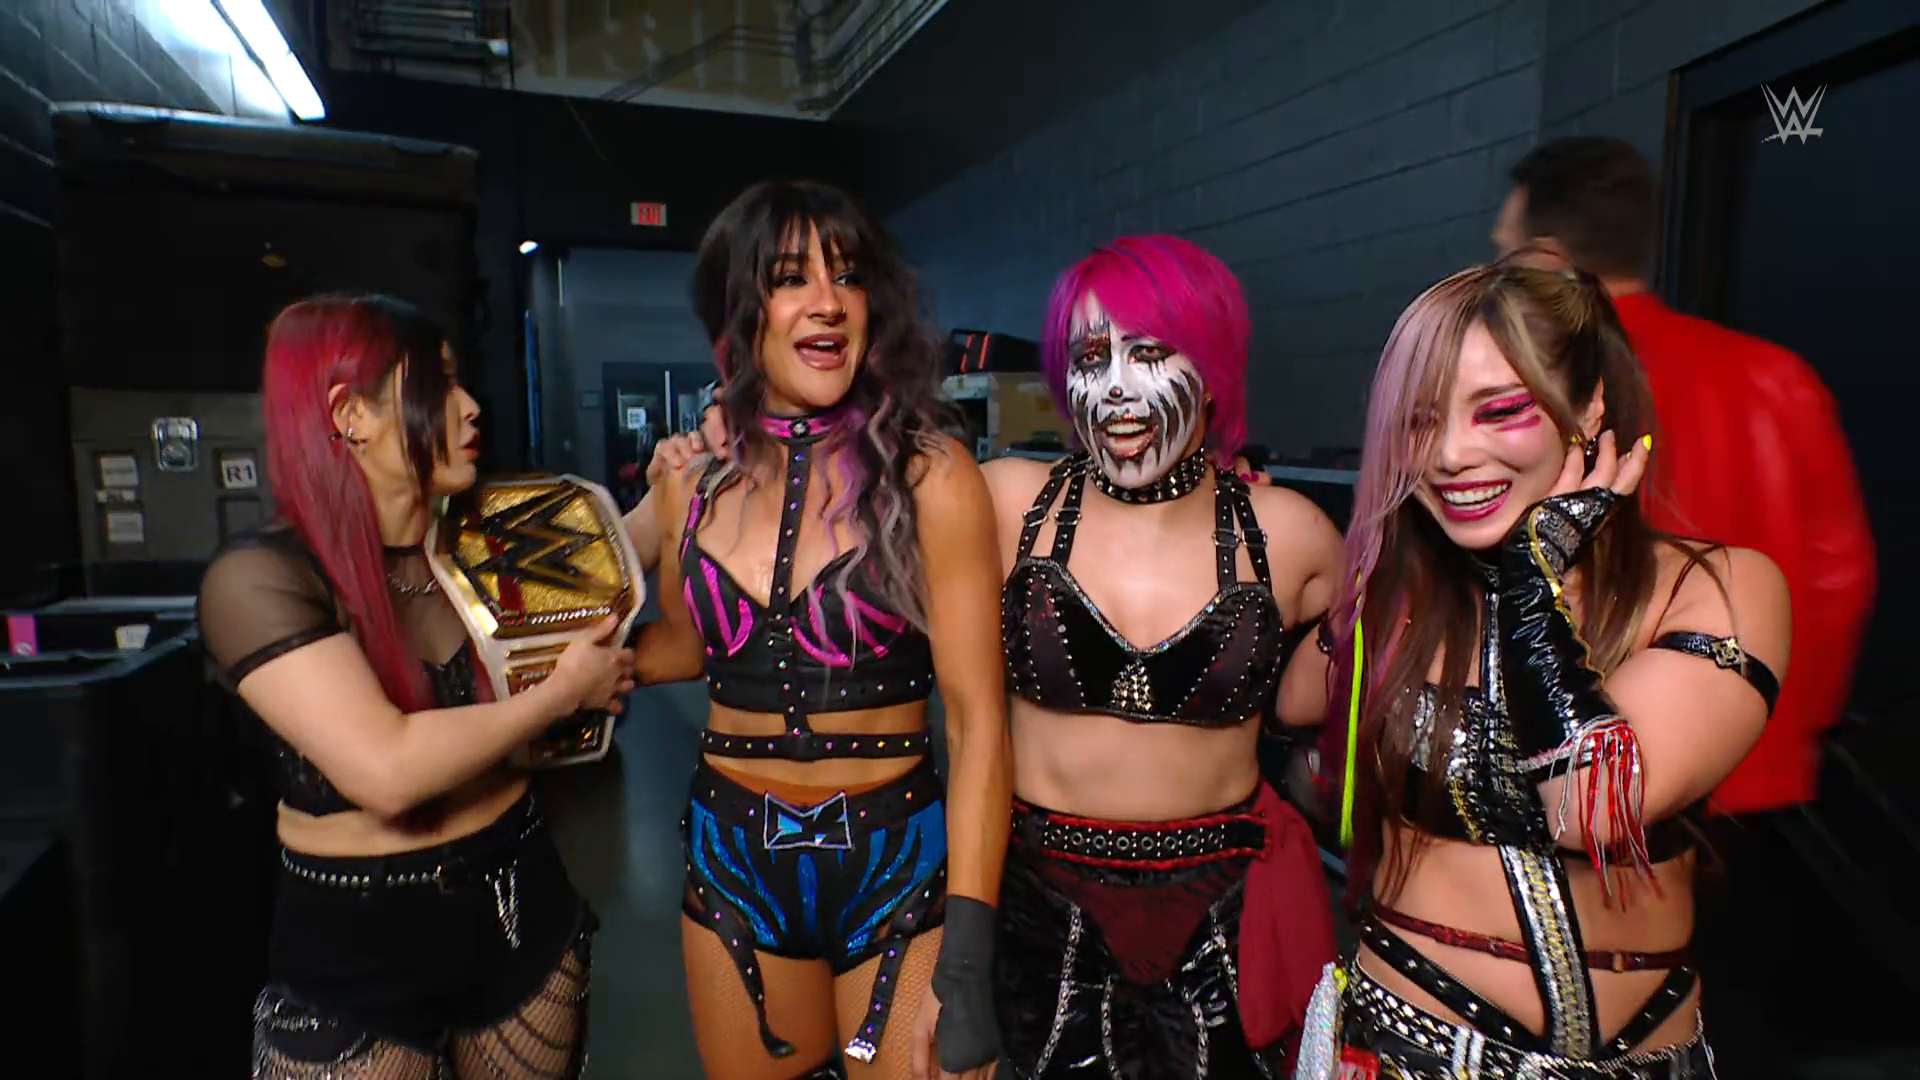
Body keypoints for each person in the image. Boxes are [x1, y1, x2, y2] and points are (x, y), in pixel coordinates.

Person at [1286, 255, 1790, 1079]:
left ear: (1590, 408)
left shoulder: (1716, 586)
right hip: (1401, 1051)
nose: (1449, 455)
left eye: (1500, 410)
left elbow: (1591, 810)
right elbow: (1290, 704)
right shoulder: (1402, 602)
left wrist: (1532, 578)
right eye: (1418, 422)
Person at [197, 294, 633, 1078]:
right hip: (359, 948)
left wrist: (680, 485)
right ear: (351, 416)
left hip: (517, 902)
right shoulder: (258, 579)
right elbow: (386, 768)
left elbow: (613, 587)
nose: (469, 408)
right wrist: (558, 695)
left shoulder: (474, 544)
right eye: (437, 385)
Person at [632, 180, 1011, 1080]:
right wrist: (561, 672)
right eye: (790, 278)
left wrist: (968, 963)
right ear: (740, 309)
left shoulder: (932, 476)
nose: (828, 302)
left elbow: (979, 726)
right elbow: (681, 647)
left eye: (847, 275)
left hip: (896, 862)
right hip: (733, 858)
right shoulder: (695, 483)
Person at [984, 235, 1340, 1079]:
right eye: (1090, 358)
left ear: (1211, 368)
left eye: (1148, 353)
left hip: (1221, 910)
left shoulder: (1289, 533)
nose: (1115, 385)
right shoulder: (1006, 502)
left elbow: (1351, 683)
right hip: (1040, 903)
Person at [1493, 135, 1873, 818]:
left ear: (1546, 257)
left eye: (1503, 252)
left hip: (1579, 773)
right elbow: (1839, 578)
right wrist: (1778, 727)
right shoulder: (1777, 376)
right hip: (1751, 773)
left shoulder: (1528, 389)